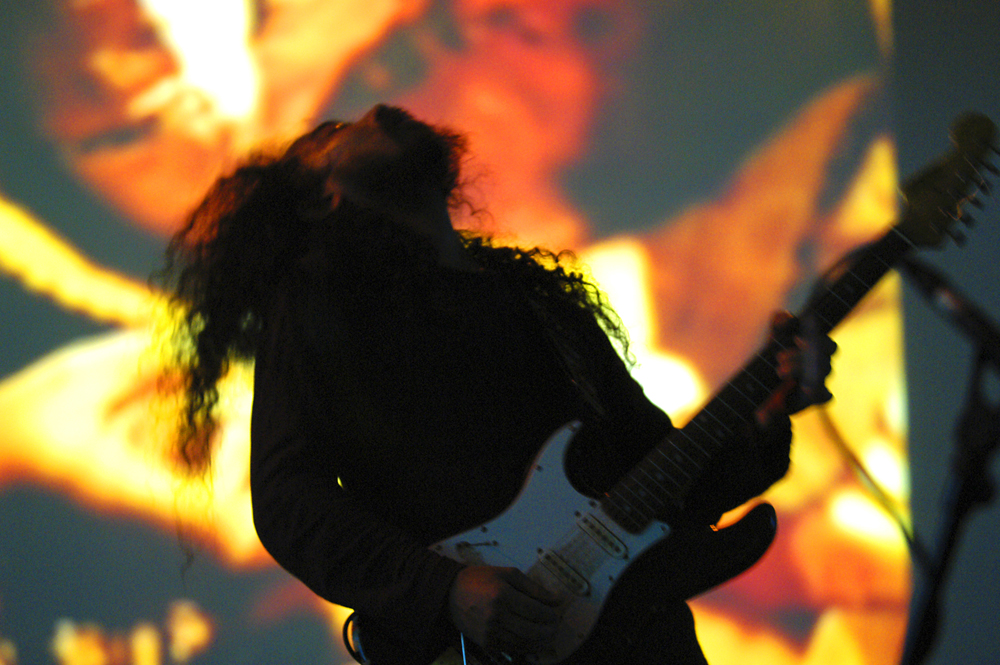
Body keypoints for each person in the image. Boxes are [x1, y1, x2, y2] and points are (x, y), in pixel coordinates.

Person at [161, 103, 836, 664]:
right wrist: (445, 590)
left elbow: (665, 474)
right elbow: (288, 502)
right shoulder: (320, 305)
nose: (371, 114)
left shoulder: (539, 298)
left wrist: (768, 413)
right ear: (325, 200)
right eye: (336, 134)